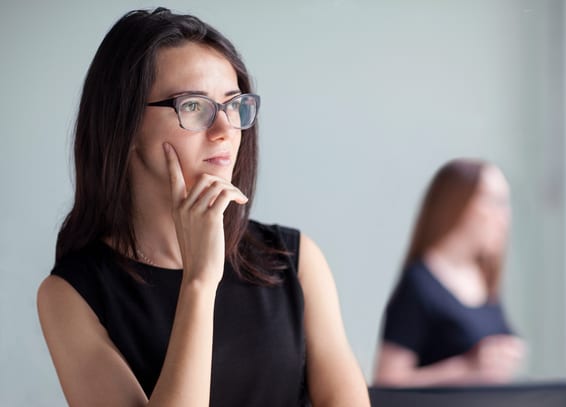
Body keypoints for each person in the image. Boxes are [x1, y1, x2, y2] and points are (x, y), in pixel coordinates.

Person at [36, 8, 368, 407]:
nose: (225, 129)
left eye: (233, 104)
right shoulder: (69, 296)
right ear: (123, 126)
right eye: (193, 106)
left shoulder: (296, 260)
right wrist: (199, 282)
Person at [373, 158, 525, 386]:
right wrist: (466, 369)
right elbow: (387, 382)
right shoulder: (419, 284)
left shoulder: (484, 277)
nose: (504, 217)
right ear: (459, 204)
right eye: (495, 202)